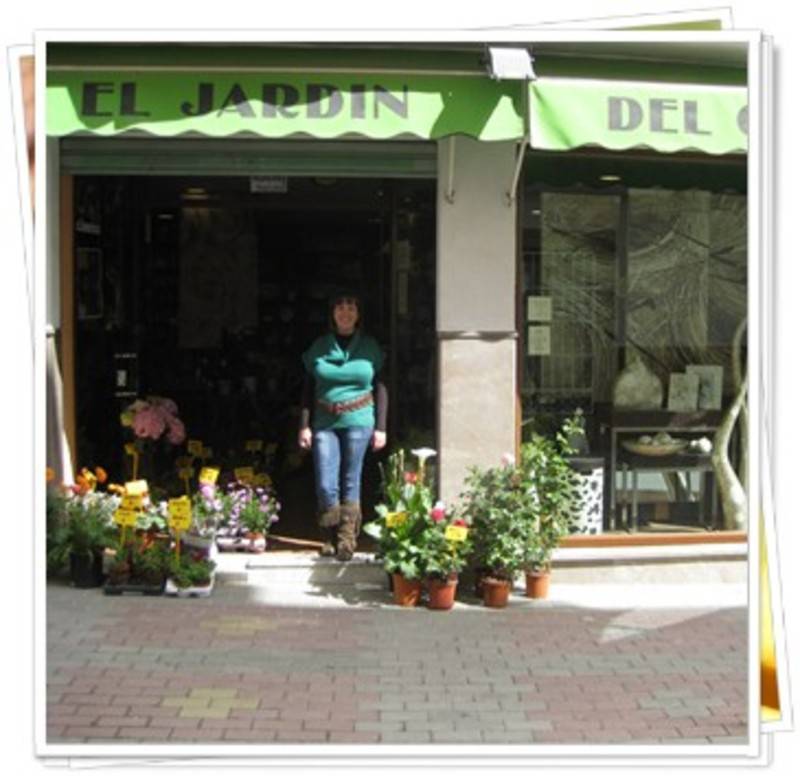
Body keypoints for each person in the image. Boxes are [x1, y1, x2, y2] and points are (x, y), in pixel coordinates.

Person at [298, 291, 387, 561]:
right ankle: (328, 533)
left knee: (351, 479)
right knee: (326, 481)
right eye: (340, 306)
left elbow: (381, 387)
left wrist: (381, 427)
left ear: (358, 314)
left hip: (359, 419)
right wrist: (304, 426)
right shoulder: (319, 347)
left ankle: (346, 539)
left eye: (351, 306)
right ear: (333, 313)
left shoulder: (371, 347)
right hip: (325, 421)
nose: (345, 311)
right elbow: (307, 388)